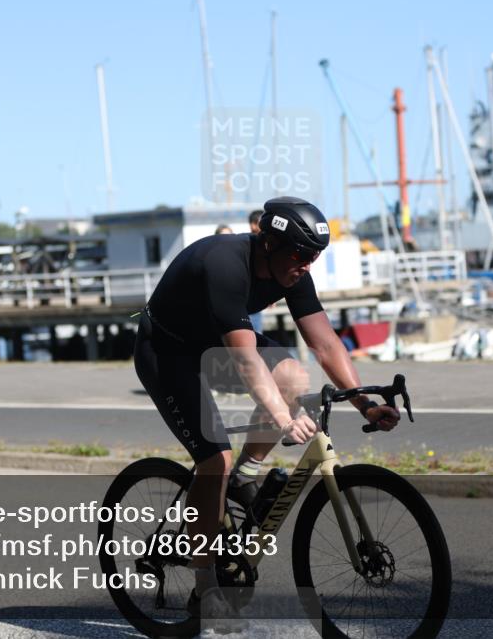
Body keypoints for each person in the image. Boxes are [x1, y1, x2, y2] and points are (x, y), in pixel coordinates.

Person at [133, 196, 399, 626]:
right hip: (167, 352)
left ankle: (248, 474)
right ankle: (205, 585)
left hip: (214, 345)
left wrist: (365, 404)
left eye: (315, 256)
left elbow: (327, 344)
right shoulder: (224, 264)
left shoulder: (293, 270)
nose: (307, 263)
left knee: (295, 376)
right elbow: (245, 360)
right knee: (213, 458)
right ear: (268, 242)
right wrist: (283, 419)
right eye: (300, 253)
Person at [248, 210, 264, 333]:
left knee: (257, 333)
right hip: (245, 297)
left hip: (256, 297)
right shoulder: (249, 243)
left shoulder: (268, 244)